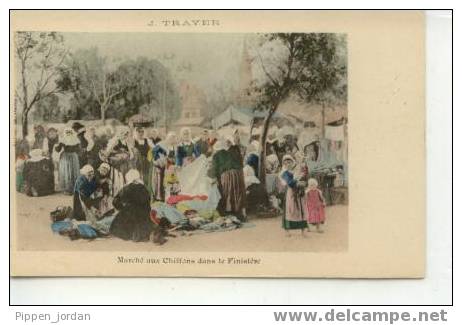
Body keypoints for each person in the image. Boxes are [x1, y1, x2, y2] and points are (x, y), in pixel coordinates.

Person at [110, 169, 155, 242]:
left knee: (118, 228)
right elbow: (148, 203)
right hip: (143, 216)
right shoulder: (144, 188)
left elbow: (115, 201)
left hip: (129, 215)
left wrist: (122, 209)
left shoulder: (126, 188)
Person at [208, 139, 246, 220]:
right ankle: (234, 212)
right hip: (233, 175)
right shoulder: (231, 152)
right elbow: (241, 164)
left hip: (231, 176)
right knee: (233, 192)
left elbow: (214, 170)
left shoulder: (219, 154)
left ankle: (232, 212)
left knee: (230, 192)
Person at [279, 155, 308, 236]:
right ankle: (287, 231)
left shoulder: (297, 170)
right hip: (291, 193)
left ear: (292, 162)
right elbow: (290, 183)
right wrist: (298, 182)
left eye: (289, 162)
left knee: (301, 210)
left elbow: (304, 179)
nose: (288, 164)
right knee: (290, 210)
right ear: (283, 165)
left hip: (299, 193)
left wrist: (303, 183)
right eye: (285, 163)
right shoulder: (284, 173)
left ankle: (303, 230)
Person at [107, 128, 133, 196]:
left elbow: (131, 154)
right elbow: (108, 152)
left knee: (124, 178)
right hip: (117, 164)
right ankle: (116, 193)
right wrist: (119, 154)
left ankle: (124, 193)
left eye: (126, 135)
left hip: (124, 164)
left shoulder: (127, 142)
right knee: (117, 178)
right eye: (124, 134)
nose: (125, 136)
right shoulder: (116, 141)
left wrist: (126, 154)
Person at [55, 128, 81, 195]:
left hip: (66, 157)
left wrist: (56, 146)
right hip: (73, 157)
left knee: (66, 172)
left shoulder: (63, 140)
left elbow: (58, 150)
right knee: (73, 172)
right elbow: (79, 150)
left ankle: (68, 189)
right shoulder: (75, 140)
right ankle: (74, 189)